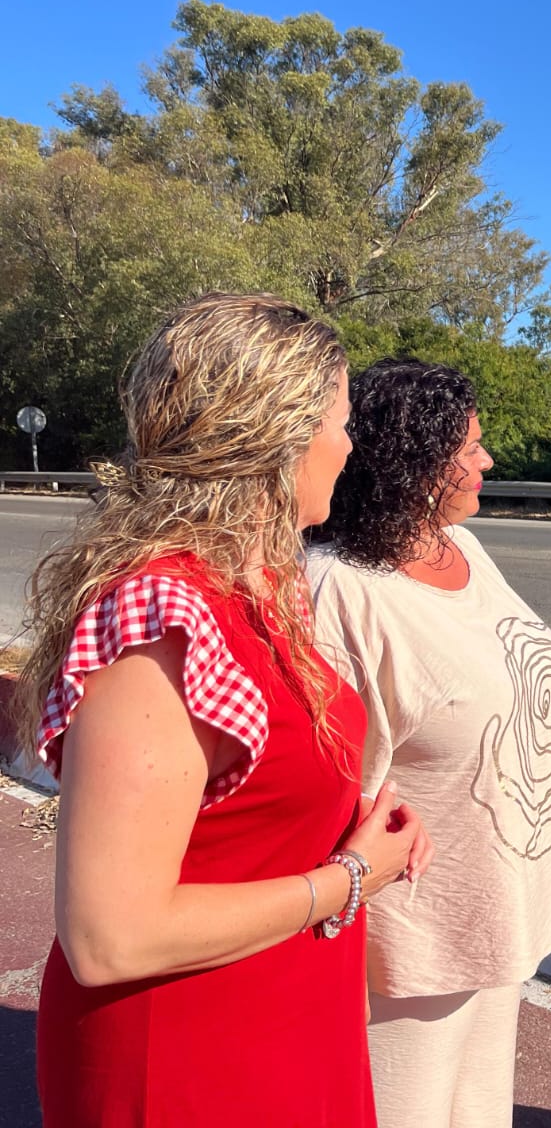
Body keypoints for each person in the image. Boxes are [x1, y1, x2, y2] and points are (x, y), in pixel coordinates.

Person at [16, 293, 427, 1128]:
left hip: (281, 1014)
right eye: (341, 422)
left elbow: (235, 801)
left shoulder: (254, 587)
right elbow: (110, 938)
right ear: (278, 439)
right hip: (187, 1056)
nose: (350, 446)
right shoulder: (165, 617)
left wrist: (332, 823)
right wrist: (350, 878)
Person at [305, 358, 551, 1128]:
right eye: (469, 448)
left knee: (479, 1113)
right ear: (412, 463)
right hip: (411, 938)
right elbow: (330, 785)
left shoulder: (460, 546)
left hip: (495, 906)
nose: (487, 460)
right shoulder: (339, 589)